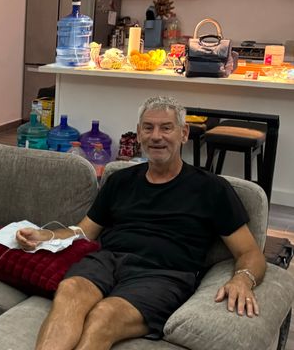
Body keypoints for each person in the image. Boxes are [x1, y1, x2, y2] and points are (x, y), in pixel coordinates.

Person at [16, 96, 266, 349]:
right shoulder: (120, 180)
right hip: (107, 261)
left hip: (165, 274)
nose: (156, 136)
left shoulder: (212, 189)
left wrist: (242, 279)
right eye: (148, 127)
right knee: (69, 292)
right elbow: (84, 231)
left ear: (184, 133)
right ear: (138, 133)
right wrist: (45, 236)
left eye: (166, 127)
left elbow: (250, 252)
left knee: (104, 316)